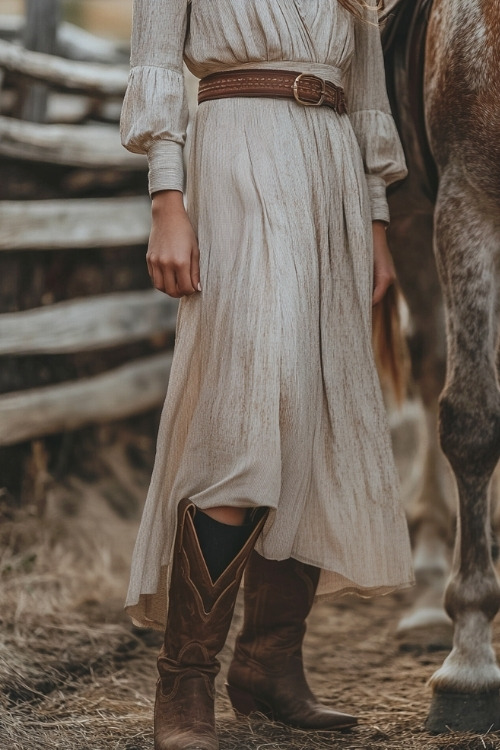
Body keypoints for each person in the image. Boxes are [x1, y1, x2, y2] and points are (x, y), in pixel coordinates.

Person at [120, 1, 414, 748]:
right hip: (239, 149)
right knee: (247, 413)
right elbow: (155, 59)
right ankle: (185, 682)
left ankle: (269, 665)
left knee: (317, 417)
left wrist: (376, 222)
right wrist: (166, 198)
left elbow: (369, 88)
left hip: (335, 170)